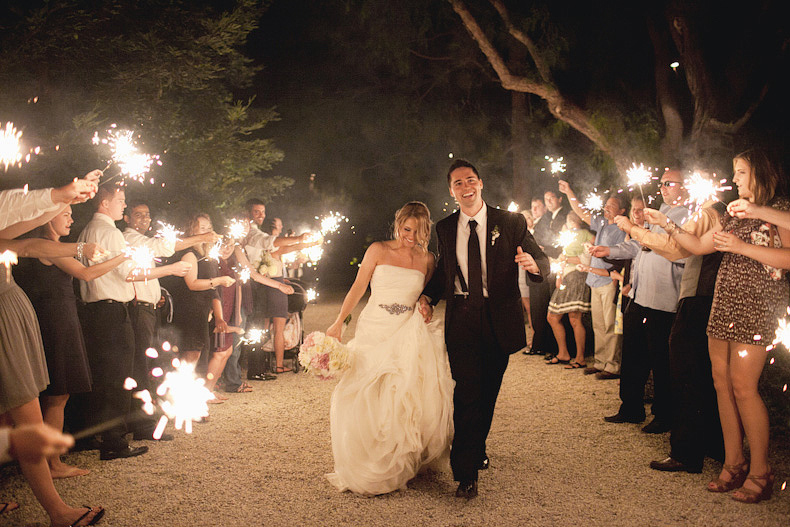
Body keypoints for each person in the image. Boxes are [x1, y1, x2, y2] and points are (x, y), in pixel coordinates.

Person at [646, 149, 789, 503]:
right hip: (723, 303)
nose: (736, 179)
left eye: (740, 172)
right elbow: (696, 244)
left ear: (760, 172)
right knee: (721, 383)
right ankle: (733, 462)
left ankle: (761, 472)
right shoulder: (734, 213)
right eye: (734, 173)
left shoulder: (780, 210)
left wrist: (742, 246)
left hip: (756, 306)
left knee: (744, 387)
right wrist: (667, 225)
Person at [419, 160, 549, 499]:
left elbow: (540, 258)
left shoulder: (510, 221)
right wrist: (428, 296)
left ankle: (475, 446)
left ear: (481, 184)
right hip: (461, 316)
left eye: (471, 180)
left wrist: (536, 267)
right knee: (467, 391)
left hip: (499, 318)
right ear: (451, 190)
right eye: (458, 182)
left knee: (488, 392)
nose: (466, 186)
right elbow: (446, 269)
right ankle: (465, 473)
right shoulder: (445, 228)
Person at [325, 202, 454, 496]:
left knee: (403, 393)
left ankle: (399, 459)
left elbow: (428, 295)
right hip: (374, 326)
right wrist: (339, 323)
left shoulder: (428, 259)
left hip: (407, 331)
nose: (411, 236)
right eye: (407, 229)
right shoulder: (378, 250)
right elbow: (358, 287)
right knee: (365, 390)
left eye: (418, 231)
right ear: (398, 225)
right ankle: (370, 457)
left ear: (426, 231)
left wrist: (425, 304)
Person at [0, 175, 106, 526]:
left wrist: (64, 201)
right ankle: (58, 513)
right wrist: (60, 195)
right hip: (2, 317)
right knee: (26, 416)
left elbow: (23, 241)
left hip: (10, 310)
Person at [76, 184, 191, 460]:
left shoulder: (86, 232)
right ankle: (113, 442)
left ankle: (93, 434)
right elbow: (130, 273)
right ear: (105, 204)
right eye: (120, 201)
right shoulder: (111, 233)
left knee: (104, 376)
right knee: (118, 378)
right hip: (113, 311)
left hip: (93, 311)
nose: (123, 207)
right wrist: (171, 269)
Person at [15, 206, 128, 478]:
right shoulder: (49, 246)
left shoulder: (53, 246)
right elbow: (86, 274)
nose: (71, 218)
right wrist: (124, 256)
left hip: (60, 319)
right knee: (57, 393)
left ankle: (47, 461)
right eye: (65, 213)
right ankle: (52, 464)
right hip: (55, 322)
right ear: (47, 217)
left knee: (57, 394)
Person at [623, 190, 726, 474]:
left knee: (686, 374)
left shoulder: (710, 212)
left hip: (697, 298)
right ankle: (714, 445)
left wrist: (635, 229)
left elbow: (675, 248)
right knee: (708, 375)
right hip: (709, 298)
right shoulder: (721, 211)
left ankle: (686, 451)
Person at [596, 169, 690, 433]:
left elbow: (672, 249)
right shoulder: (660, 210)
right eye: (661, 183)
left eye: (669, 183)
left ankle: (663, 414)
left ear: (685, 186)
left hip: (664, 298)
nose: (663, 188)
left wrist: (633, 229)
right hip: (639, 295)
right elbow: (640, 246)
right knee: (633, 354)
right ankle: (631, 407)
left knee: (661, 359)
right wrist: (611, 250)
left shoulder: (687, 215)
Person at [122, 200, 218, 438]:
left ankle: (158, 416)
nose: (145, 219)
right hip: (156, 311)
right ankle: (156, 417)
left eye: (147, 215)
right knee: (168, 364)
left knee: (168, 362)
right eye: (138, 215)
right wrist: (219, 281)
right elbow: (184, 276)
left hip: (155, 307)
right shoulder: (132, 239)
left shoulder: (200, 253)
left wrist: (159, 294)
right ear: (127, 218)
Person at [559, 180, 627, 379]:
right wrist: (569, 191)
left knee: (609, 325)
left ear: (621, 210)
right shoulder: (603, 224)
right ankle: (600, 361)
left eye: (611, 206)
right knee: (598, 324)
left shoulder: (622, 229)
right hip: (593, 280)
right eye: (606, 205)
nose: (606, 208)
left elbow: (620, 257)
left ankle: (613, 365)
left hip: (608, 281)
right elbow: (581, 212)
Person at [163, 213, 235, 398]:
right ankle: (180, 401)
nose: (207, 231)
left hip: (200, 312)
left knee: (195, 355)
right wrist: (218, 280)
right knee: (190, 357)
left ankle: (186, 400)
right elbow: (192, 283)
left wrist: (217, 314)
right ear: (191, 231)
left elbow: (210, 289)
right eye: (202, 228)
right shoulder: (189, 254)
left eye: (208, 227)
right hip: (189, 311)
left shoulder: (206, 255)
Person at [545, 212, 594, 368]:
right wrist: (559, 276)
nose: (571, 221)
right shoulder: (567, 236)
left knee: (575, 318)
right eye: (569, 219)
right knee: (552, 317)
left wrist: (566, 260)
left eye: (573, 219)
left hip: (577, 276)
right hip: (566, 277)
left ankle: (580, 358)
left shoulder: (587, 235)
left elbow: (585, 258)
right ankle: (563, 353)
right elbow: (563, 257)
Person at [525, 196, 556, 356]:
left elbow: (549, 244)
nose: (534, 209)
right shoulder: (535, 225)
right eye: (533, 206)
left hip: (542, 272)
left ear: (544, 209)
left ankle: (542, 344)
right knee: (535, 310)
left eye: (538, 206)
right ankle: (538, 343)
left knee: (540, 309)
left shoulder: (544, 224)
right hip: (532, 273)